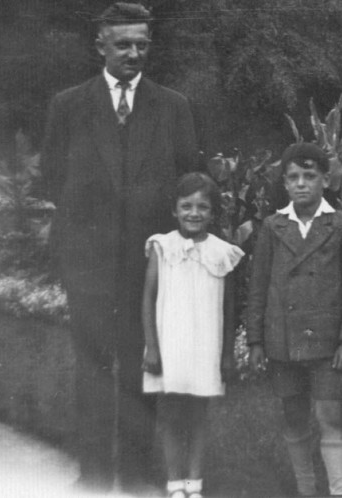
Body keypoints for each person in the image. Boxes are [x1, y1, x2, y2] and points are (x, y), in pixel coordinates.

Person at [39, 2, 199, 493]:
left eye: (142, 45)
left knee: (141, 370)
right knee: (91, 371)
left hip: (148, 269)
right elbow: (51, 178)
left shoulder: (172, 106)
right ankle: (93, 476)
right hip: (87, 264)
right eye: (124, 44)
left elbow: (190, 180)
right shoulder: (69, 106)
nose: (134, 53)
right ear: (101, 46)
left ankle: (134, 477)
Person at [246, 142, 342, 496]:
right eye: (294, 177)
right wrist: (256, 340)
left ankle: (340, 490)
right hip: (283, 341)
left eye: (310, 176)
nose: (302, 184)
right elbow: (258, 286)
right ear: (284, 183)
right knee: (294, 417)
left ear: (325, 180)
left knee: (330, 416)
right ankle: (306, 489)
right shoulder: (272, 227)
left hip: (328, 342)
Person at [142, 172, 244, 498]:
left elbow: (230, 309)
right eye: (186, 206)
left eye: (203, 206)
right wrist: (152, 349)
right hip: (170, 346)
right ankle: (174, 483)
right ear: (175, 210)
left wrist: (227, 354)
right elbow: (148, 299)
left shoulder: (223, 252)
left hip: (205, 348)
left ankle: (194, 483)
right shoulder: (162, 246)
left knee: (199, 416)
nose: (194, 213)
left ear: (213, 212)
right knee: (171, 415)